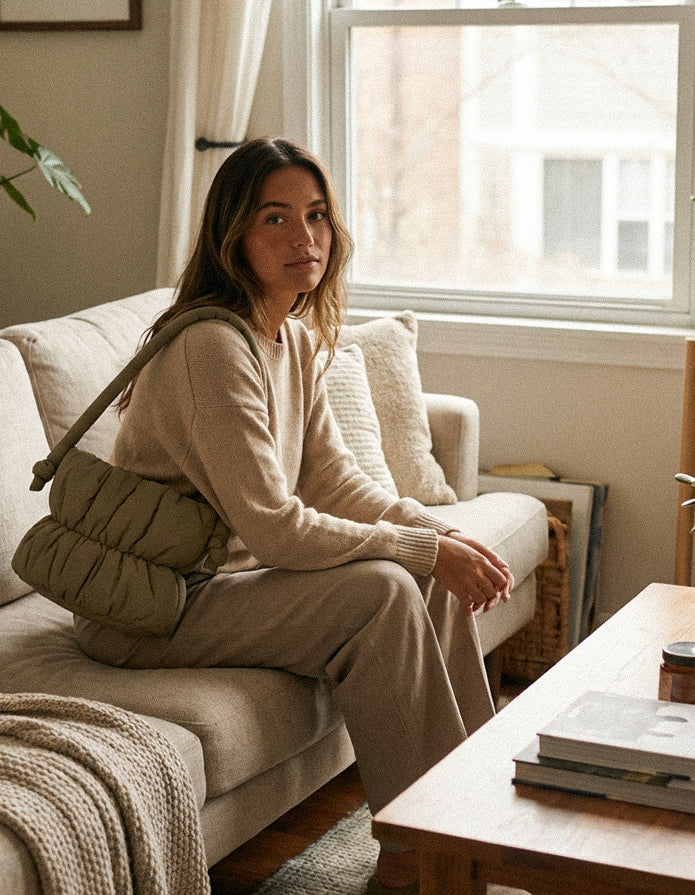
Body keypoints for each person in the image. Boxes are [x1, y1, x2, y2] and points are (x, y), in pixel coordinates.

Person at [74, 137, 513, 893]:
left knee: (425, 570)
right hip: (150, 605)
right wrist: (415, 548)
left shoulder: (293, 338)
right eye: (273, 218)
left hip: (224, 582)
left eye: (314, 216)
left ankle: (472, 823)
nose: (302, 237)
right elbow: (277, 525)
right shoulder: (213, 345)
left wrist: (438, 534)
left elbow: (336, 484)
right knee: (382, 587)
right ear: (231, 237)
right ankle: (418, 858)